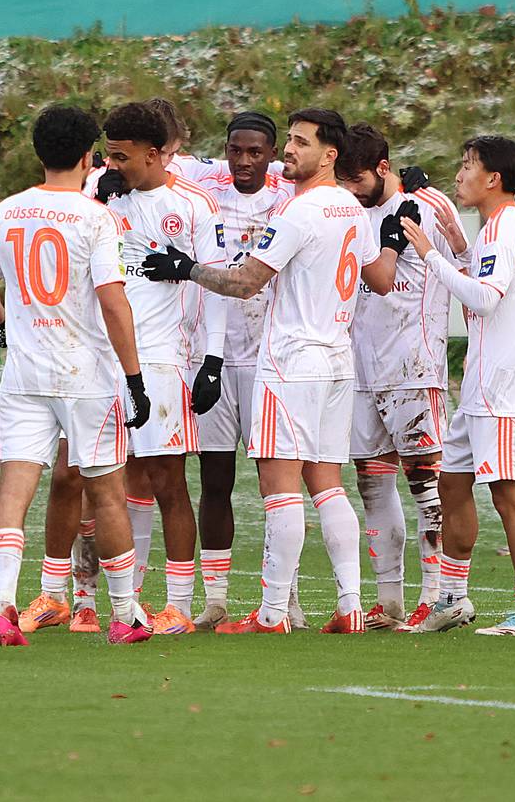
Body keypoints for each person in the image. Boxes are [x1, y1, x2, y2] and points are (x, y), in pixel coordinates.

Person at [144, 108, 406, 634]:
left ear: (329, 155)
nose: (289, 150)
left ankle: (271, 615)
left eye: (300, 143)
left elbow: (245, 283)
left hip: (290, 361)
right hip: (336, 360)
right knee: (328, 484)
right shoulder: (349, 208)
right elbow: (379, 277)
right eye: (289, 140)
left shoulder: (299, 213)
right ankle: (351, 605)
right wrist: (392, 237)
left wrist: (187, 268)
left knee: (280, 487)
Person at [0, 104, 153, 647]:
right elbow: (113, 301)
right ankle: (122, 615)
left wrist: (5, 325)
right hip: (86, 375)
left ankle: (5, 608)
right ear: (87, 157)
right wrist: (136, 377)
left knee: (14, 489)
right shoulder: (96, 217)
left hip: (25, 376)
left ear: (39, 152)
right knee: (107, 494)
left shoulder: (7, 212)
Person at [400, 136, 515, 635]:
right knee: (451, 482)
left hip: (505, 387)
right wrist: (460, 250)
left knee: (509, 495)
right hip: (483, 386)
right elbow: (486, 297)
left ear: (494, 179)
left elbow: (484, 301)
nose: (459, 174)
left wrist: (430, 256)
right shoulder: (499, 229)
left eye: (467, 166)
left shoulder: (508, 228)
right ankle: (453, 598)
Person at [97, 102, 227, 634]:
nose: (112, 165)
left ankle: (178, 601)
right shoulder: (102, 196)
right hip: (102, 359)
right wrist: (98, 196)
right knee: (114, 483)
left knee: (167, 481)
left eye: (121, 156)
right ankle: (127, 600)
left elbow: (219, 283)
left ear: (154, 154)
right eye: (108, 154)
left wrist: (212, 359)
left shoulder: (194, 204)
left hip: (161, 360)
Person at [335, 123, 470, 630]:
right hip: (360, 363)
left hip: (413, 362)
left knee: (425, 482)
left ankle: (436, 595)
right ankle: (389, 600)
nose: (350, 188)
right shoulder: (348, 208)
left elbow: (466, 263)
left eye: (357, 178)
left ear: (383, 169)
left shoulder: (427, 205)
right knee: (371, 482)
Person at [182, 111, 305, 630]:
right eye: (237, 150)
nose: (245, 161)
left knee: (276, 483)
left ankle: (287, 596)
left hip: (269, 358)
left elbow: (346, 178)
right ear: (226, 149)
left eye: (256, 152)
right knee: (215, 478)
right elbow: (165, 160)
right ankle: (216, 598)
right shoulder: (207, 193)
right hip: (209, 355)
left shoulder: (288, 198)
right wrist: (103, 174)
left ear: (272, 154)